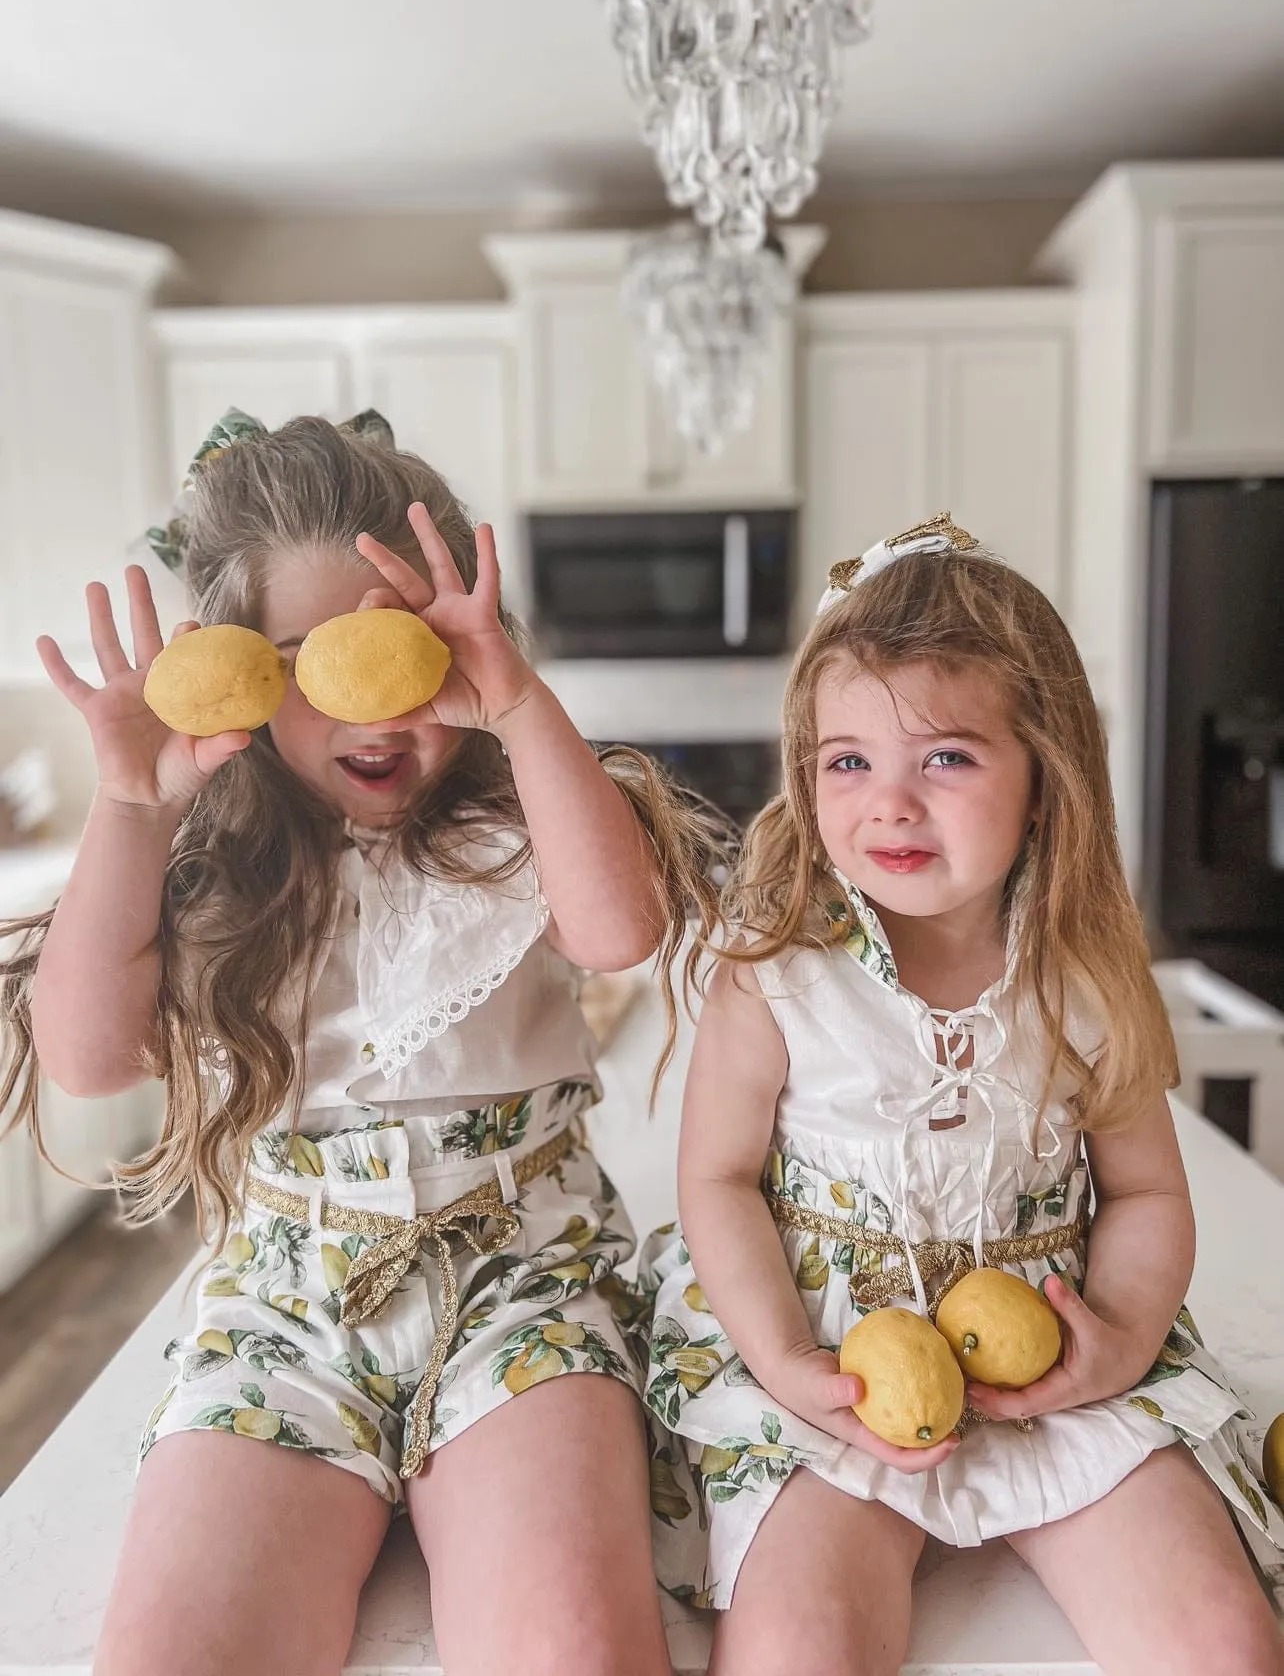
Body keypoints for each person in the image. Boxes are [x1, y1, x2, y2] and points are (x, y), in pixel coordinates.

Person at [1, 410, 721, 1676]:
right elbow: (87, 1056)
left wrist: (512, 697)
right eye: (305, 658)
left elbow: (619, 932)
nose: (369, 696)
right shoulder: (214, 866)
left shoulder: (507, 829)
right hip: (283, 1303)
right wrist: (125, 803)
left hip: (522, 1279)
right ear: (237, 665)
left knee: (574, 1652)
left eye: (394, 649)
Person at [640, 514, 1284, 1676]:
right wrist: (784, 1356)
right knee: (794, 1650)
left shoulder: (1083, 972)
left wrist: (1123, 1337)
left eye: (944, 757)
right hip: (834, 1357)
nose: (888, 802)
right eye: (849, 761)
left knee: (1225, 1641)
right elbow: (717, 1178)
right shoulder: (777, 964)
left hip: (1050, 1363)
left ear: (1045, 775)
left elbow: (1143, 1190)